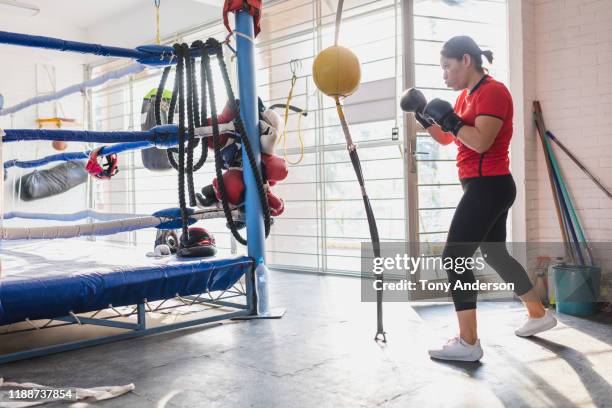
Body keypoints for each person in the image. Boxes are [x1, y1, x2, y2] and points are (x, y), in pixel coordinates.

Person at [401, 35, 557, 362]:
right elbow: (447, 138)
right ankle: (538, 314)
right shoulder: (464, 99)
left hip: (490, 186)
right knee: (496, 255)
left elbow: (481, 142)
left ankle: (468, 341)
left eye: (447, 66)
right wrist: (423, 115)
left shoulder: (493, 92)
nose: (443, 74)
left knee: (453, 258)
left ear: (466, 61)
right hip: (481, 187)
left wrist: (452, 121)